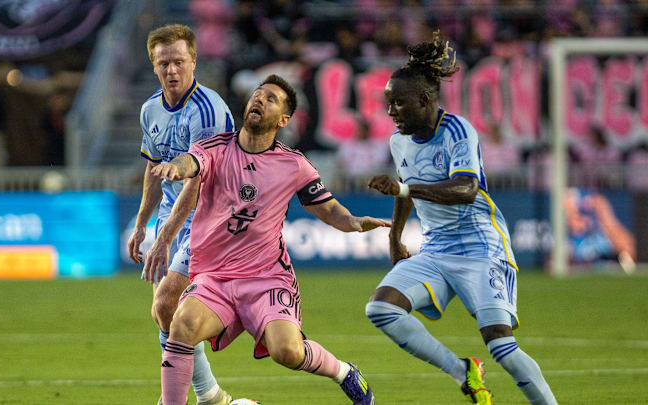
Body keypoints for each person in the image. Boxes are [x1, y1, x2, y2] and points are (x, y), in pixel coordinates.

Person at [148, 74, 387, 405]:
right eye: (257, 95)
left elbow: (329, 209)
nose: (259, 100)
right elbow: (192, 162)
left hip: (266, 278)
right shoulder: (215, 148)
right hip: (216, 278)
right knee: (182, 323)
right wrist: (176, 166)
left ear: (284, 119)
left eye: (270, 98)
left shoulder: (294, 165)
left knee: (287, 351)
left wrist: (353, 222)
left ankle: (345, 373)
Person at [366, 32, 558, 405]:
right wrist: (395, 238)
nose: (391, 113)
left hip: (481, 247)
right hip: (436, 250)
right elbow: (405, 186)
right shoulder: (398, 140)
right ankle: (463, 371)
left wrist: (404, 191)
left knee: (501, 344)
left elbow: (464, 189)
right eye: (388, 105)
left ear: (424, 100)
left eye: (398, 104)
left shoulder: (457, 130)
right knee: (381, 308)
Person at [126, 24, 234, 405]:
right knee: (165, 312)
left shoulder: (208, 110)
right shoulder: (149, 110)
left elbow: (199, 182)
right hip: (172, 217)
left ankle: (181, 398)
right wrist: (142, 225)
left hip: (209, 217)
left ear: (194, 61)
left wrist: (166, 239)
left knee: (165, 302)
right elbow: (153, 169)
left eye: (178, 62)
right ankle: (210, 395)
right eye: (163, 63)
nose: (171, 70)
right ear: (153, 66)